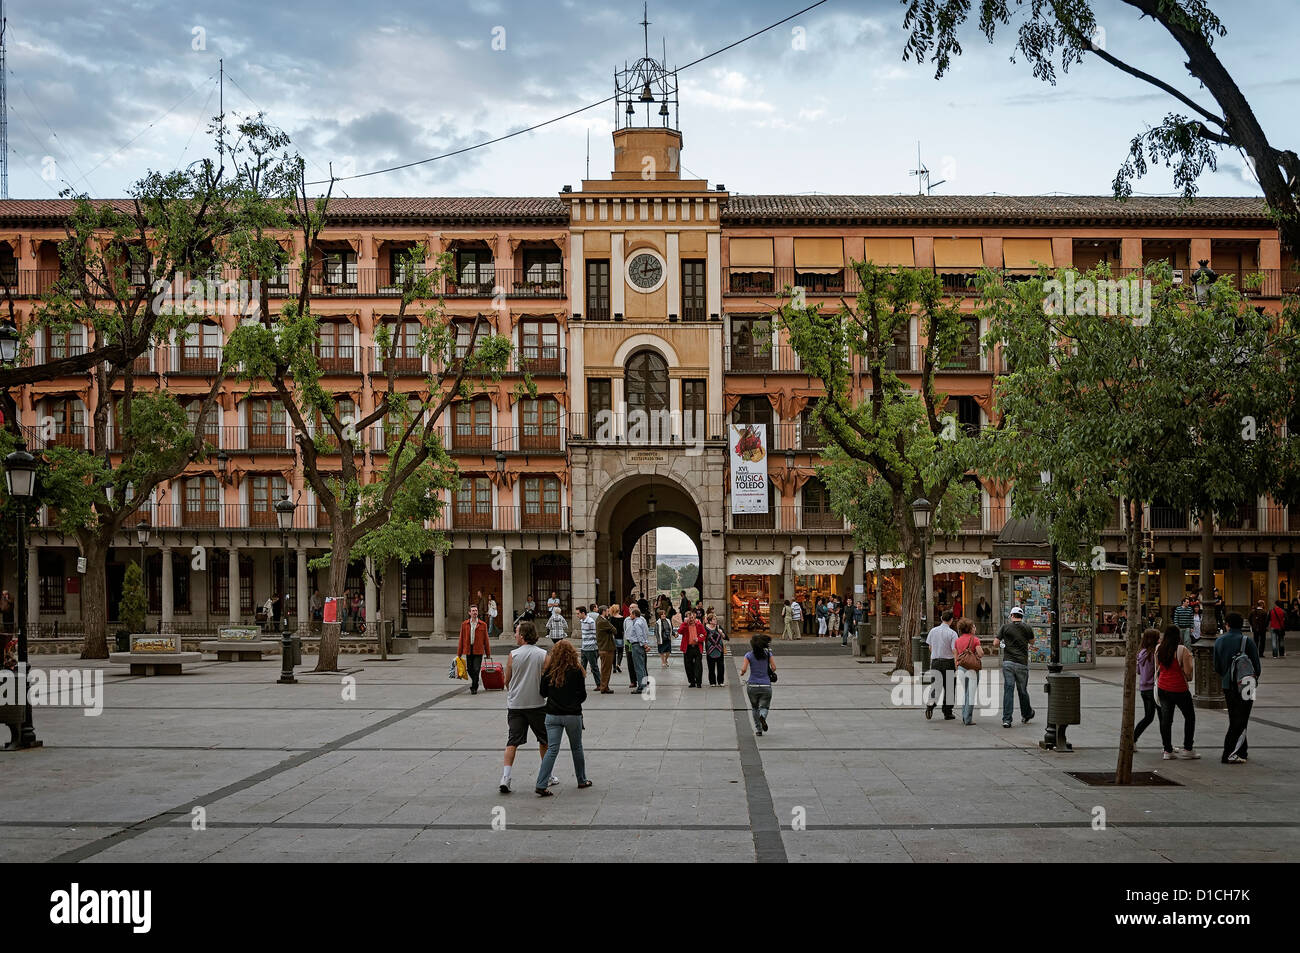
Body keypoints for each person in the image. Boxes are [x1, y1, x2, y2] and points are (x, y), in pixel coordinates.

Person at [499, 620, 557, 794]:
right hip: (537, 704)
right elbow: (547, 678)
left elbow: (506, 681)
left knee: (512, 742)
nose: (515, 635)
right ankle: (547, 775)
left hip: (516, 705)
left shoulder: (513, 655)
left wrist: (514, 691)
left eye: (516, 632)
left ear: (523, 636)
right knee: (544, 740)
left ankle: (505, 777)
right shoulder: (543, 655)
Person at [535, 640, 592, 796]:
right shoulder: (576, 670)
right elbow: (583, 695)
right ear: (571, 654)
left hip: (552, 715)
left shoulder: (549, 671)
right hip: (572, 715)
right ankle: (581, 780)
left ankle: (541, 783)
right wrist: (572, 702)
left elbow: (543, 692)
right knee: (577, 748)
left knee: (552, 749)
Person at [1214, 612, 1261, 765]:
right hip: (1247, 685)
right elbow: (1257, 666)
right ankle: (1230, 752)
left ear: (1227, 624)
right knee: (1242, 718)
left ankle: (1241, 749)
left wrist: (1227, 676)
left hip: (1229, 685)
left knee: (1234, 717)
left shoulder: (1220, 641)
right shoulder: (1247, 641)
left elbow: (1217, 667)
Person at [1155, 624, 1199, 760]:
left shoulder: (1158, 648)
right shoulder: (1182, 650)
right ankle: (1187, 748)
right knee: (1190, 717)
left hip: (1163, 687)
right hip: (1179, 689)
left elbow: (1158, 667)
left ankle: (1167, 750)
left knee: (1166, 720)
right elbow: (1188, 673)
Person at [994, 606, 1036, 728]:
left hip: (1008, 663)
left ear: (1012, 616)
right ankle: (1027, 714)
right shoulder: (1027, 627)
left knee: (1008, 690)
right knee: (1022, 690)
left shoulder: (1005, 627)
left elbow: (996, 643)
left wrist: (1003, 644)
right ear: (1021, 617)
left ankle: (1007, 719)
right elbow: (1032, 642)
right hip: (1022, 663)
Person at [738, 635, 775, 736]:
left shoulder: (748, 655)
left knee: (754, 708)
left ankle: (759, 729)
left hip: (752, 686)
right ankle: (762, 716)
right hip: (766, 685)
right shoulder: (768, 654)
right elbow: (774, 667)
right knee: (765, 706)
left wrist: (741, 673)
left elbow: (744, 669)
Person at [925, 610, 958, 720]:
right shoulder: (952, 633)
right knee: (949, 688)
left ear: (941, 618)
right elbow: (954, 650)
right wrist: (956, 664)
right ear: (951, 620)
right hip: (948, 661)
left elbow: (930, 647)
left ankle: (931, 704)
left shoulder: (933, 631)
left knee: (936, 686)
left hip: (935, 661)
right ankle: (947, 711)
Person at [952, 617, 983, 725]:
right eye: (973, 626)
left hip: (961, 668)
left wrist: (957, 667)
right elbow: (981, 653)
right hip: (972, 669)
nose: (975, 628)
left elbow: (955, 656)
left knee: (966, 692)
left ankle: (964, 715)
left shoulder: (957, 640)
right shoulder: (975, 639)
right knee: (971, 694)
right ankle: (967, 718)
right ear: (970, 629)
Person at [1133, 628, 1160, 747]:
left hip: (1143, 688)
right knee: (1163, 718)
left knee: (1148, 717)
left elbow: (1138, 671)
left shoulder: (1141, 653)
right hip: (1154, 688)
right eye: (1158, 638)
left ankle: (1133, 740)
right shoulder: (1155, 654)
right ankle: (1167, 745)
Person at [457, 604, 492, 695]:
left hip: (478, 650)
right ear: (469, 613)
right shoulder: (464, 624)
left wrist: (488, 653)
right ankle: (475, 682)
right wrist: (459, 654)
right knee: (469, 669)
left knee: (476, 669)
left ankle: (474, 687)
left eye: (476, 610)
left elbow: (486, 640)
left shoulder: (483, 625)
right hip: (468, 650)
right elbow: (461, 639)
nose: (475, 612)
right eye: (473, 611)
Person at [624, 605, 651, 693]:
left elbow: (640, 636)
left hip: (636, 645)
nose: (630, 615)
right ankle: (643, 683)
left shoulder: (636, 623)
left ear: (635, 614)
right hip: (639, 645)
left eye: (631, 614)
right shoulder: (641, 621)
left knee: (638, 667)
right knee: (642, 666)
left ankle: (641, 686)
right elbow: (645, 633)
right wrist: (646, 644)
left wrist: (644, 645)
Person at [678, 609, 706, 688]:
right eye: (689, 617)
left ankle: (699, 682)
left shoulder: (699, 625)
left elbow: (704, 634)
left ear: (695, 617)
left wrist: (699, 639)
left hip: (697, 647)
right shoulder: (685, 625)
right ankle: (692, 682)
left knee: (698, 666)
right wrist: (684, 623)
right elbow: (680, 631)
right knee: (688, 666)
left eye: (692, 617)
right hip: (688, 648)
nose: (691, 619)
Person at [595, 605, 616, 694]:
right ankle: (604, 687)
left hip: (604, 647)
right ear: (603, 611)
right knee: (606, 669)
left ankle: (605, 686)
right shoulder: (603, 621)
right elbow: (614, 630)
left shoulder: (600, 620)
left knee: (605, 668)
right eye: (607, 611)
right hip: (606, 648)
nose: (608, 612)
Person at [578, 606, 601, 686]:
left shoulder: (591, 621)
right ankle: (581, 684)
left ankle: (599, 684)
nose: (577, 615)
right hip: (584, 647)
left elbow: (595, 634)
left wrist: (596, 646)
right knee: (582, 668)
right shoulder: (582, 621)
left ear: (583, 613)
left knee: (594, 667)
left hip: (591, 648)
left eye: (578, 613)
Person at [704, 610, 728, 686]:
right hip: (710, 650)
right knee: (711, 667)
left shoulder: (718, 627)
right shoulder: (705, 628)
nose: (716, 621)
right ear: (710, 621)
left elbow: (726, 637)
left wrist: (721, 633)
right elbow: (702, 637)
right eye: (714, 619)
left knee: (721, 666)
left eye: (716, 619)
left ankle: (720, 681)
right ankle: (712, 682)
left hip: (719, 649)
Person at [610, 603, 626, 674]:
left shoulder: (611, 618)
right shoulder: (622, 618)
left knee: (613, 652)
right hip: (620, 637)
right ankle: (618, 664)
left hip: (613, 637)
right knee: (620, 652)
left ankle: (613, 667)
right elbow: (624, 629)